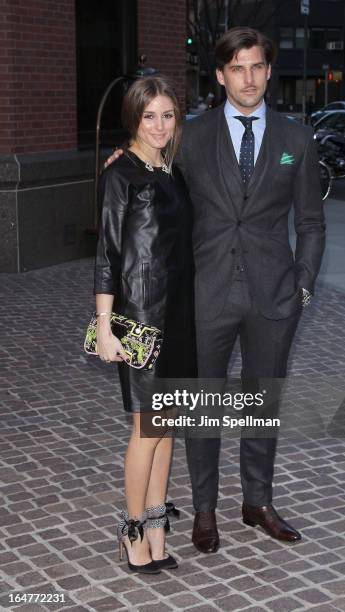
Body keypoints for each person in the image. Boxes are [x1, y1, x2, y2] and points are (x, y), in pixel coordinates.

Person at [106, 26, 325, 555]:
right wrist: (122, 159)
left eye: (257, 67)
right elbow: (150, 165)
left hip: (274, 296)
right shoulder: (191, 135)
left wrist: (302, 287)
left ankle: (258, 502)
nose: (247, 78)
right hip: (204, 296)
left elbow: (312, 223)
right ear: (221, 75)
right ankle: (204, 510)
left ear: (269, 72)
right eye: (237, 68)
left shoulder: (297, 139)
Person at [94, 75, 196, 573]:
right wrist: (106, 326)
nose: (158, 125)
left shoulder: (172, 172)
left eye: (168, 115)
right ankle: (131, 532)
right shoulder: (121, 175)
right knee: (145, 429)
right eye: (148, 115)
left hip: (179, 317)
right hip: (140, 320)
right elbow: (108, 256)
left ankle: (157, 526)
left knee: (168, 427)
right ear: (134, 118)